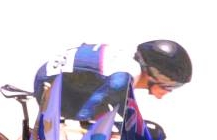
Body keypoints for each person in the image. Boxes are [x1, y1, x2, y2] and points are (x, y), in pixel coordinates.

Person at [34, 40, 193, 121]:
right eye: (169, 87)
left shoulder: (129, 68)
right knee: (99, 124)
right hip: (53, 85)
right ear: (156, 76)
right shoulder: (124, 78)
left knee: (106, 117)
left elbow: (127, 109)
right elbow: (98, 101)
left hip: (63, 81)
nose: (168, 93)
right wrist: (83, 119)